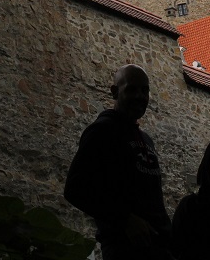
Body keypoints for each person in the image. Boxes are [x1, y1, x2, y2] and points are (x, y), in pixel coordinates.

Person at [64, 64, 172, 260]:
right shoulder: (102, 131)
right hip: (125, 248)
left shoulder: (146, 140)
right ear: (115, 92)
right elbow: (75, 188)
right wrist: (125, 219)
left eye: (144, 90)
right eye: (131, 89)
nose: (140, 96)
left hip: (158, 247)